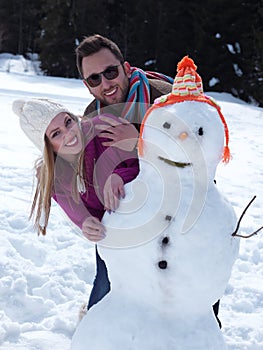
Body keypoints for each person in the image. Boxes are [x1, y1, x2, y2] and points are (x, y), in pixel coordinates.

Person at [75, 34, 222, 327]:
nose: (105, 84)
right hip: (130, 212)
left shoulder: (167, 98)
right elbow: (90, 175)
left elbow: (200, 150)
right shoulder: (93, 116)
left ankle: (205, 332)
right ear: (86, 85)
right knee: (110, 281)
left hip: (184, 206)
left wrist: (139, 141)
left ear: (126, 68)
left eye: (110, 72)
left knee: (195, 282)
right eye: (94, 79)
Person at [12, 98, 139, 309]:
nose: (68, 133)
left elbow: (148, 164)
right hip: (114, 235)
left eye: (68, 122)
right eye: (56, 134)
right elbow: (75, 209)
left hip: (148, 219)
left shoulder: (104, 128)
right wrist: (86, 222)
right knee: (105, 281)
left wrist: (121, 175)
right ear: (48, 147)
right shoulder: (54, 175)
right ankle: (94, 326)